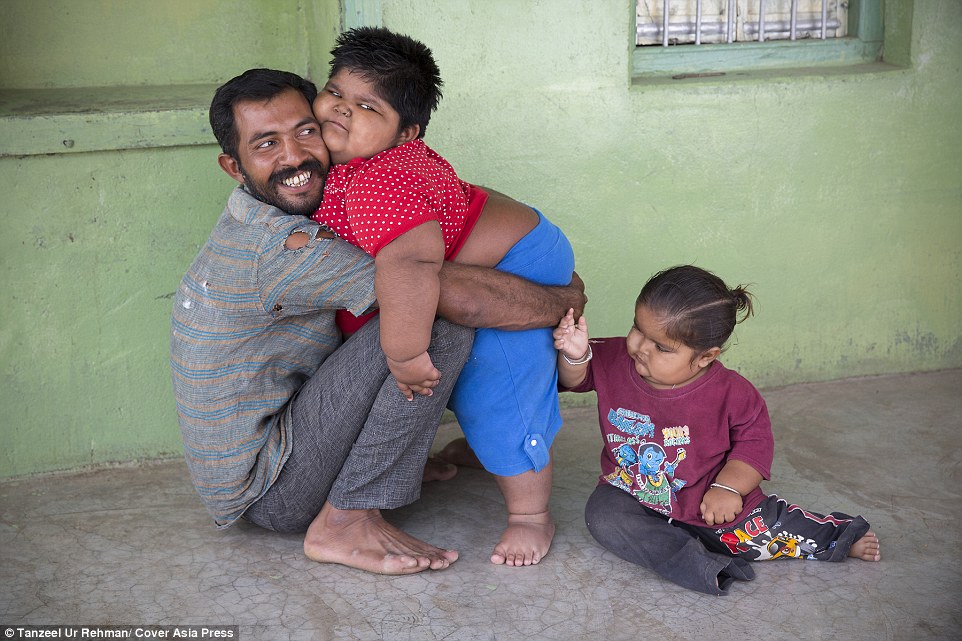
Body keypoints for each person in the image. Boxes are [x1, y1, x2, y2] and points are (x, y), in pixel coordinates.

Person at [170, 68, 585, 576]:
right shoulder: (284, 248)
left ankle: (389, 467)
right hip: (271, 490)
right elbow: (437, 290)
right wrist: (562, 300)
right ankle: (345, 521)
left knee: (398, 317)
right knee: (423, 319)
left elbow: (445, 209)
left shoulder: (315, 201)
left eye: (305, 130)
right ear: (233, 167)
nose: (294, 156)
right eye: (266, 144)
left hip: (277, 451)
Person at [310, 26, 575, 567]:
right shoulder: (351, 162)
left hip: (518, 262)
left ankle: (530, 514)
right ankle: (476, 455)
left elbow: (410, 266)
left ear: (406, 133)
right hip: (482, 252)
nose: (341, 110)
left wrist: (404, 355)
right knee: (441, 371)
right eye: (335, 92)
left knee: (494, 387)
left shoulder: (378, 180)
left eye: (367, 106)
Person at [552, 265, 880, 595]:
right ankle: (703, 565)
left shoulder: (732, 393)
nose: (641, 348)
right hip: (636, 493)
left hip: (712, 503)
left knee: (765, 535)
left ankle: (838, 536)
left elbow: (753, 445)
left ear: (705, 357)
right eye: (638, 329)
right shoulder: (613, 357)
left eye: (662, 347)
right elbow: (574, 379)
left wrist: (729, 488)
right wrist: (575, 356)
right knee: (603, 517)